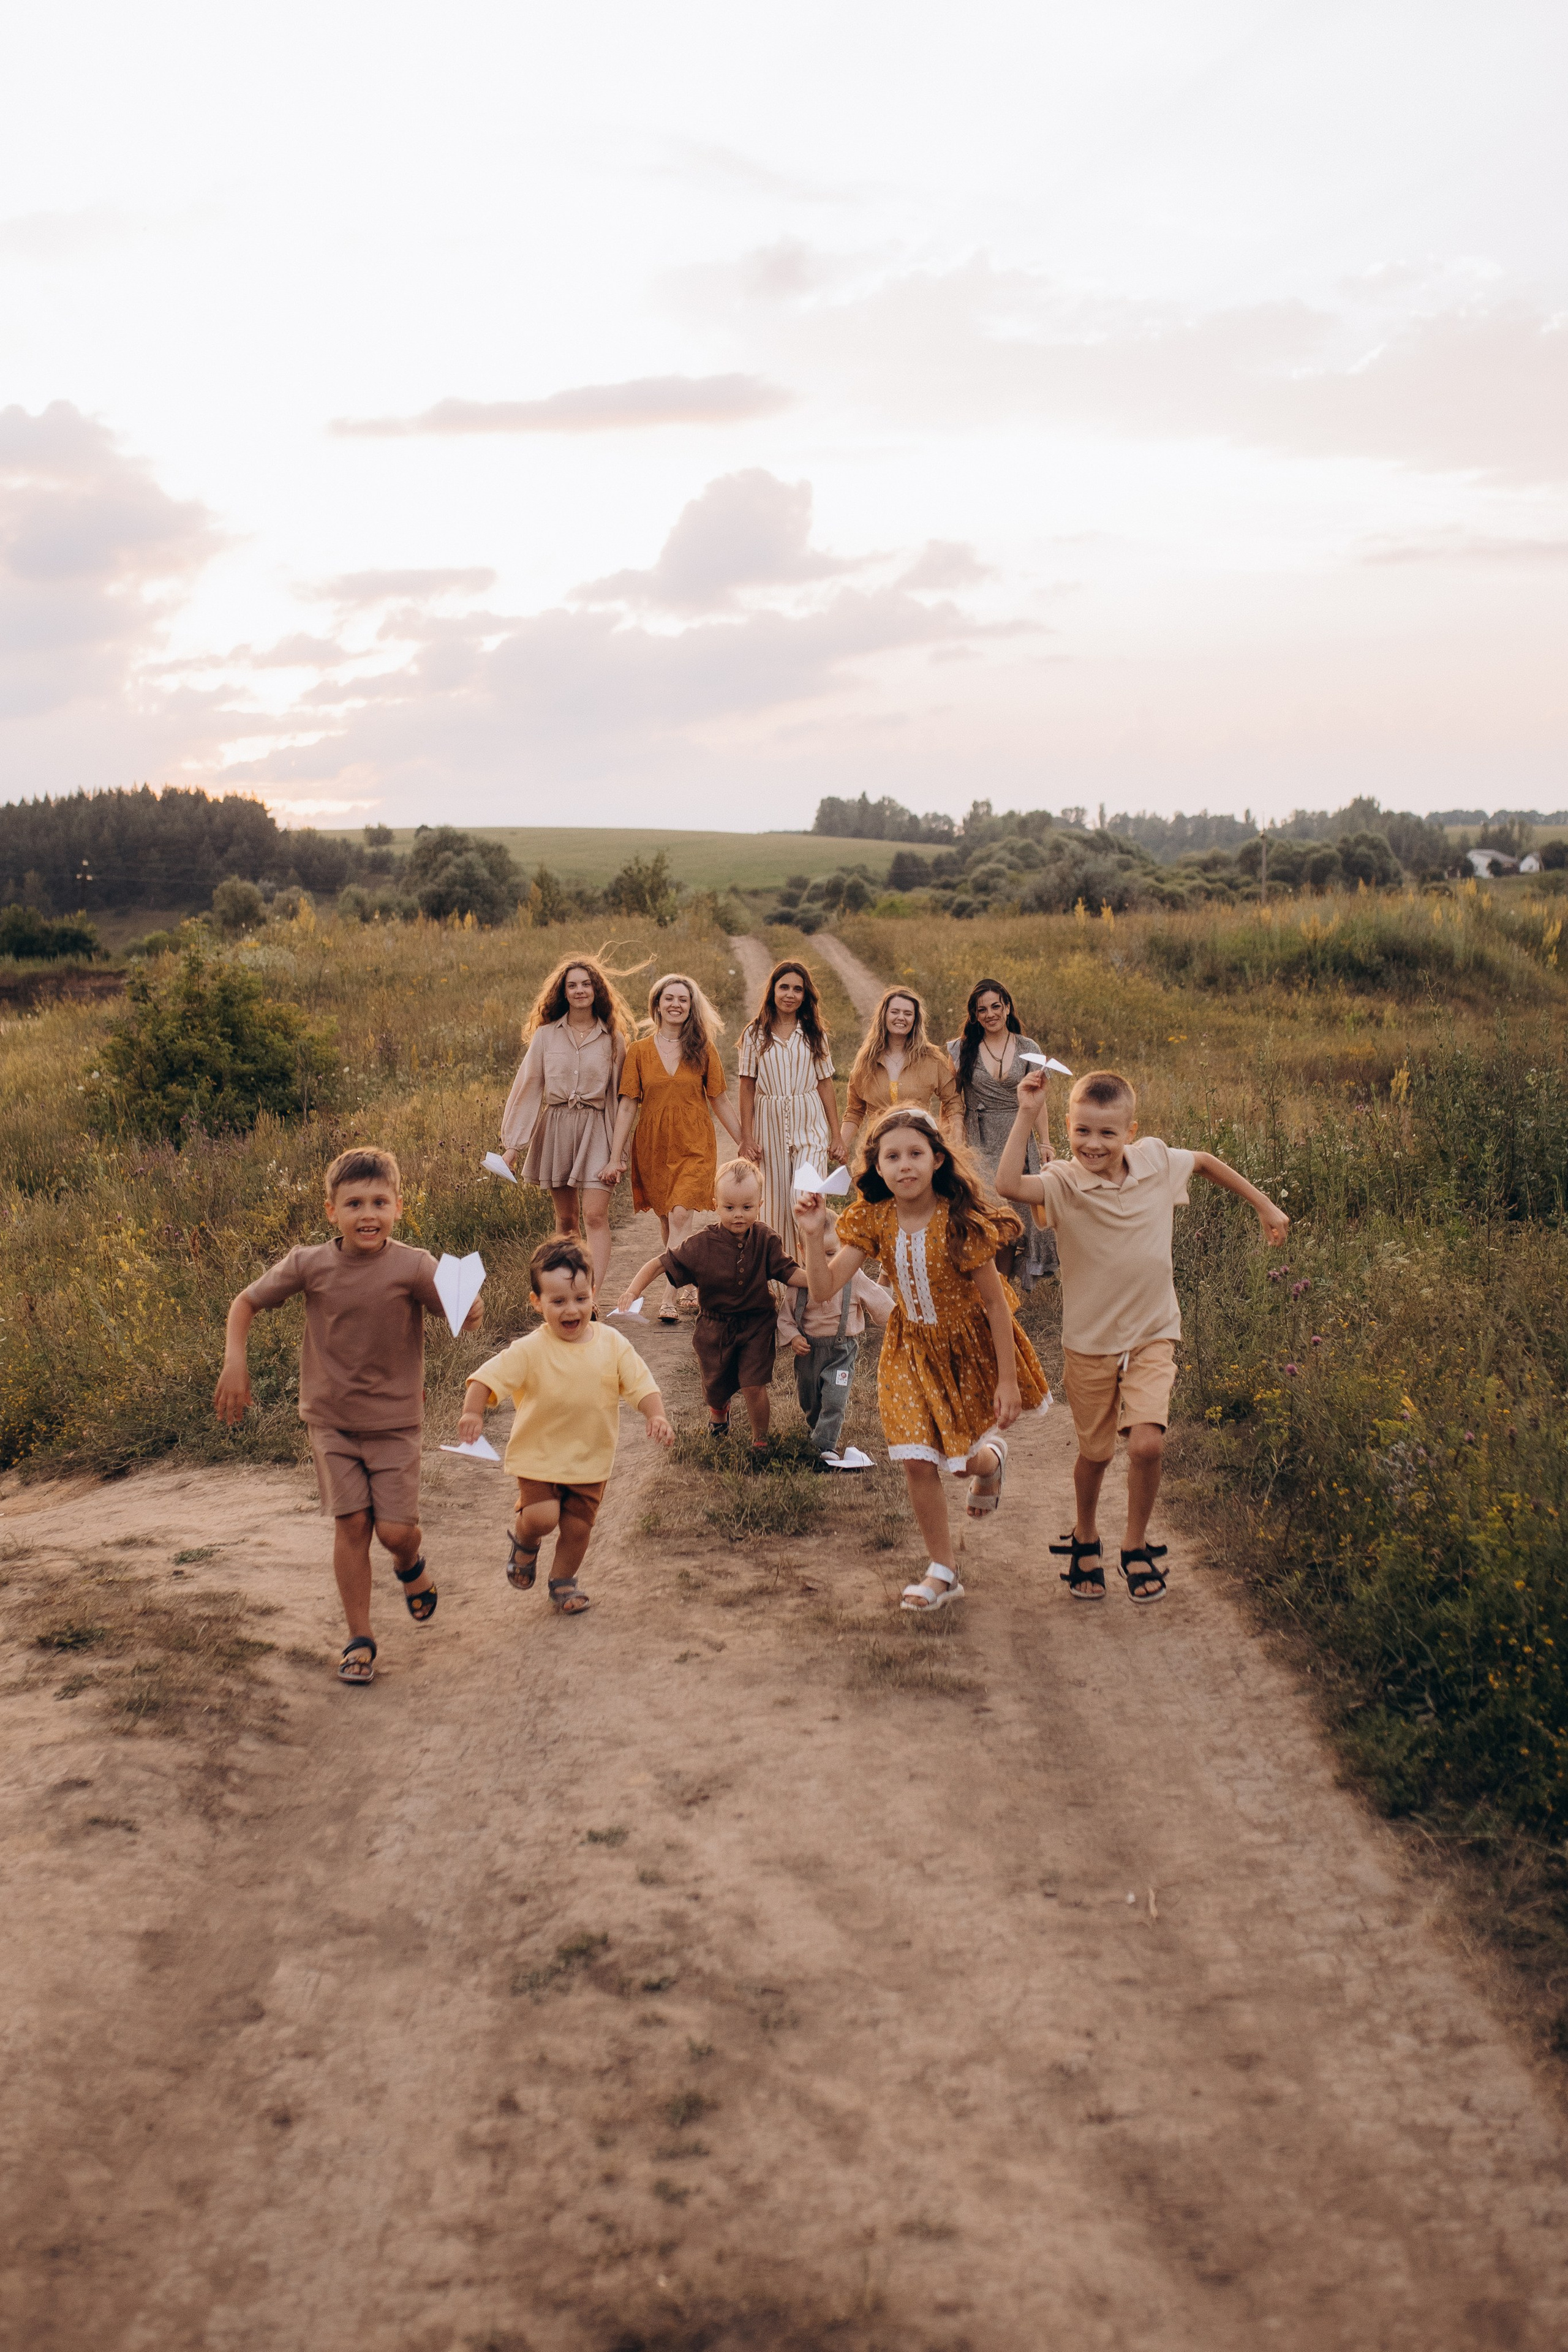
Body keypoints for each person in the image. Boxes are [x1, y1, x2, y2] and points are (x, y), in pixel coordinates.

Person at [997, 1068, 1289, 1604]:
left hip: (1154, 1332)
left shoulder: (1154, 1159)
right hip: (1089, 1342)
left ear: (1131, 1131)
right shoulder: (1062, 1181)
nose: (1094, 1143)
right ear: (1069, 1127)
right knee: (1097, 1453)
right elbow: (1009, 1186)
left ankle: (1135, 1545)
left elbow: (1201, 1161)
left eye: (1108, 1133)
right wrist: (1024, 1110)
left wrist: (1263, 1204)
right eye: (1083, 1131)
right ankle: (1086, 1534)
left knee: (1148, 1444)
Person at [214, 1147, 481, 1687]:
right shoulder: (309, 1263)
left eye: (380, 1202)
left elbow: (466, 1319)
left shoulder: (414, 1265)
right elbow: (246, 1304)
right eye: (354, 1203)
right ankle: (360, 1639)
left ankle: (410, 1565)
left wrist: (470, 1302)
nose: (368, 1214)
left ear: (399, 1207)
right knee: (353, 1523)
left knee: (396, 1531)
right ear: (330, 1210)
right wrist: (234, 1362)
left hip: (396, 1424)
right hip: (330, 1421)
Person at [797, 1107, 1050, 1613]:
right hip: (909, 1349)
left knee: (959, 1465)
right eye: (892, 1157)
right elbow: (824, 1289)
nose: (905, 1165)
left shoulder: (960, 1222)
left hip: (966, 1347)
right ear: (878, 1167)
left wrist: (1007, 1382)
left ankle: (990, 1461)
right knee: (917, 1459)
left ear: (937, 1159)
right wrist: (809, 1233)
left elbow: (996, 1304)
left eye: (916, 1153)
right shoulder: (874, 1219)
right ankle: (943, 1570)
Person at [456, 1235, 673, 1616]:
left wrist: (655, 1414)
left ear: (593, 1293)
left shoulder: (613, 1344)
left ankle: (563, 1579)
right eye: (558, 1302)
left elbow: (641, 1383)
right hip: (538, 1454)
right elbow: (488, 1378)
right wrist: (473, 1412)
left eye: (580, 1299)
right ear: (537, 1302)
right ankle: (525, 1539)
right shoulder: (530, 1349)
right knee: (543, 1517)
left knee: (577, 1529)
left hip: (590, 1458)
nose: (571, 1310)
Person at [617, 1159, 797, 1470]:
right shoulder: (702, 1245)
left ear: (760, 1205)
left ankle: (761, 1439)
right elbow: (660, 1263)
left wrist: (824, 1281)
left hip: (757, 1324)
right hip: (715, 1327)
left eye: (746, 1207)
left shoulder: (767, 1240)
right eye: (729, 1208)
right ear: (716, 1205)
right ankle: (719, 1413)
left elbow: (789, 1272)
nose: (738, 1215)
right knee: (716, 1384)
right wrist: (634, 1291)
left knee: (755, 1384)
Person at [601, 973, 744, 1324]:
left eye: (683, 999)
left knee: (681, 1215)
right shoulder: (639, 1052)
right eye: (670, 999)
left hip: (695, 1141)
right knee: (669, 1222)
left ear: (691, 1007)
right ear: (657, 1005)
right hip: (653, 1146)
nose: (676, 1005)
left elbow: (720, 1099)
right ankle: (690, 1280)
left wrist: (745, 1141)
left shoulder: (703, 1048)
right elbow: (628, 1104)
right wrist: (614, 1155)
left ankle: (668, 1296)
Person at [500, 953, 636, 1291]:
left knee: (594, 1215)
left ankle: (591, 1295)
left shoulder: (613, 1039)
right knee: (566, 1220)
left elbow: (623, 1101)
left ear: (597, 990)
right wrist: (512, 1148)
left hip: (597, 1129)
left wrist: (617, 1155)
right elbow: (529, 1088)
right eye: (572, 985)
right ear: (563, 992)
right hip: (558, 1127)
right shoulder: (546, 1036)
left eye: (586, 984)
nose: (579, 991)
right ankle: (568, 1291)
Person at [948, 975, 1059, 1292]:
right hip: (979, 1140)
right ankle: (982, 1290)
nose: (990, 1014)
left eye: (996, 1006)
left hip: (1018, 1137)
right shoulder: (961, 1049)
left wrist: (1045, 1141)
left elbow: (1039, 1101)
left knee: (1014, 1219)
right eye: (982, 1010)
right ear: (975, 1015)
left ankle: (1003, 1293)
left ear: (1008, 1007)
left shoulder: (1029, 1049)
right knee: (987, 1218)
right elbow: (952, 1099)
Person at [736, 958, 841, 1257]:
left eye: (798, 989)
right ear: (772, 991)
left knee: (804, 1199)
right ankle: (784, 1292)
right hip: (768, 1125)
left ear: (805, 996)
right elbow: (747, 1086)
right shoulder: (754, 1034)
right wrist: (747, 1137)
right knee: (775, 1211)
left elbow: (825, 1084)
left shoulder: (813, 1034)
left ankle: (822, 1281)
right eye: (784, 987)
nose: (790, 995)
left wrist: (837, 1135)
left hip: (809, 1123)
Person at [776, 1210, 892, 1466]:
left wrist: (898, 1320)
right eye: (819, 1255)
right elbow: (785, 1318)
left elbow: (880, 1302)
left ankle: (825, 1446)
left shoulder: (852, 1277)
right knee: (810, 1399)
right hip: (809, 1353)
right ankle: (817, 1431)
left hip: (841, 1352)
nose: (828, 1264)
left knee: (835, 1398)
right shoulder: (798, 1284)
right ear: (802, 1250)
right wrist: (794, 1337)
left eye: (834, 1254)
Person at [839, 986, 960, 1166]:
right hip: (878, 1150)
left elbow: (953, 1102)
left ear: (915, 1019)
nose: (901, 1018)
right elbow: (855, 1111)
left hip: (918, 1150)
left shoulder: (931, 1058)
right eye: (895, 1012)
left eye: (908, 1013)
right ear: (884, 1016)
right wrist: (841, 1145)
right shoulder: (867, 1060)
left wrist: (956, 1142)